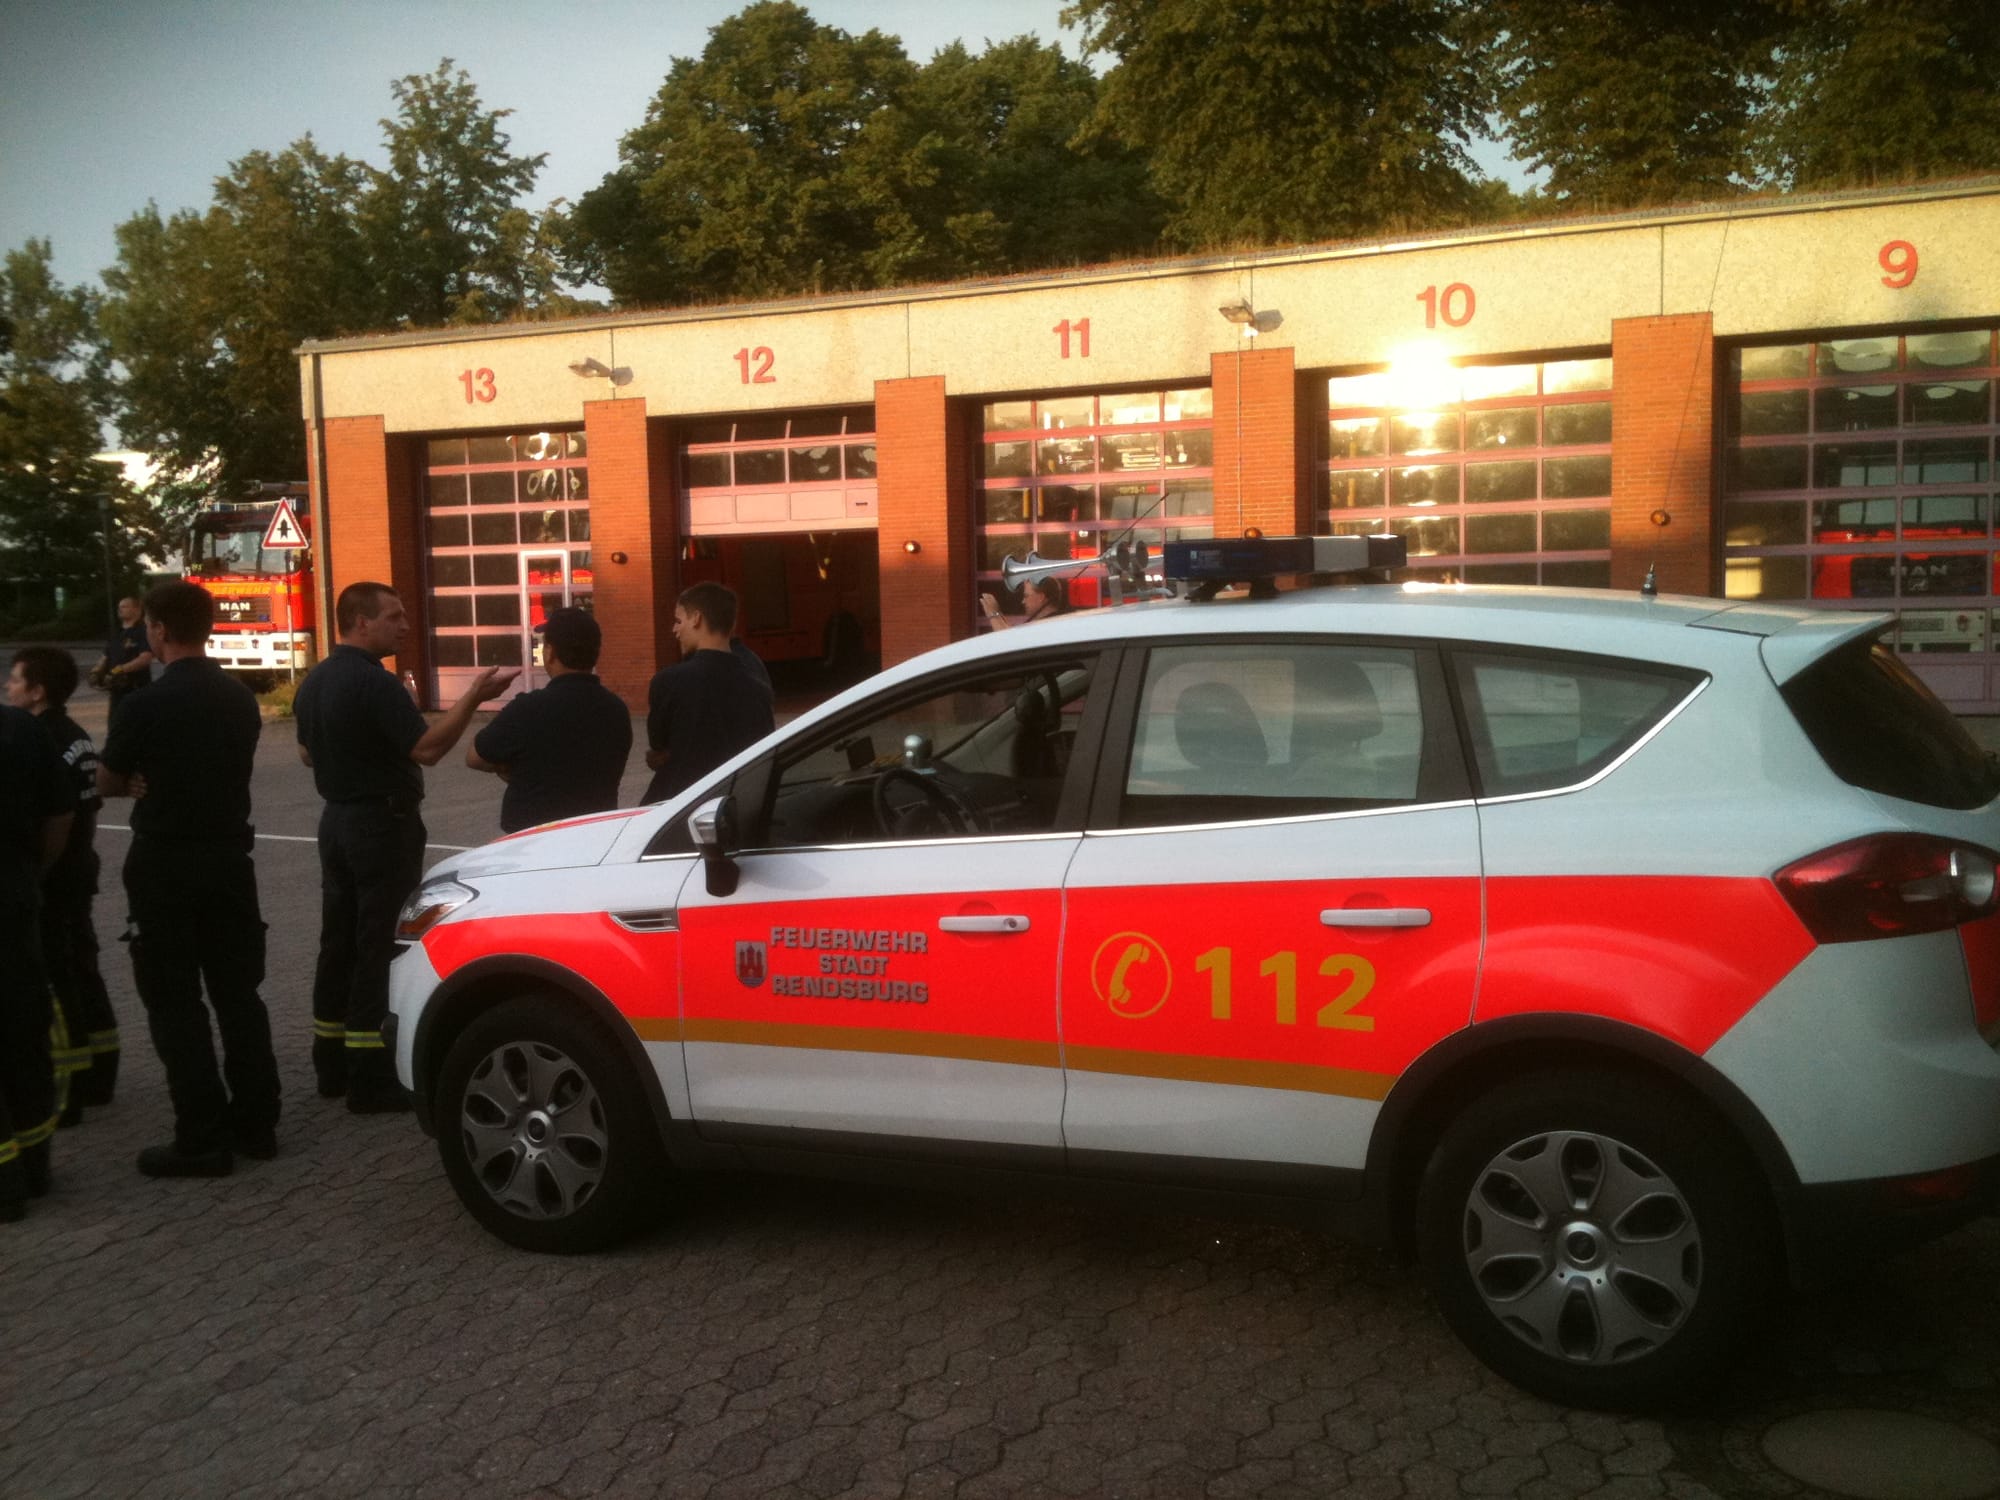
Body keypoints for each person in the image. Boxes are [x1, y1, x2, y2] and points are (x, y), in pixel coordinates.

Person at [295, 582, 517, 1110]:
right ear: (360, 621)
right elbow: (428, 749)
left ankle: (331, 1064)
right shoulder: (376, 682)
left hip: (337, 823)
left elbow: (305, 753)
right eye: (393, 616)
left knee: (338, 942)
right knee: (377, 945)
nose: (405, 625)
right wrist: (474, 696)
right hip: (381, 826)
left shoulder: (316, 680)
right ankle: (371, 1078)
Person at [97, 582, 280, 1178]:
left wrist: (132, 782)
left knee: (175, 1001)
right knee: (239, 993)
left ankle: (201, 1137)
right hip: (229, 861)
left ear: (158, 629)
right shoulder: (238, 698)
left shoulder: (143, 705)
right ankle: (257, 1124)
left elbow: (107, 780)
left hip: (165, 864)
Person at [8, 648, 120, 1116]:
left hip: (54, 877)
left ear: (37, 692)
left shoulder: (41, 739)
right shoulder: (74, 735)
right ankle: (101, 1071)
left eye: (15, 680)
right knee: (83, 968)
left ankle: (70, 1087)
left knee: (57, 978)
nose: (8, 687)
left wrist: (37, 870)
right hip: (80, 869)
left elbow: (55, 814)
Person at [467, 607, 632, 834]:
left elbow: (475, 757)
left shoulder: (527, 708)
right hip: (595, 835)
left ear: (550, 652)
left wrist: (510, 769)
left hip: (534, 839)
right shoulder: (616, 710)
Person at [0, 702, 71, 1220]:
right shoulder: (22, 729)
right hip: (15, 898)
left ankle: (6, 1186)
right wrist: (29, 874)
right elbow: (61, 814)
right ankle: (35, 1164)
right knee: (24, 1031)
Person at [641, 581, 775, 805]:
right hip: (736, 804)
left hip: (677, 806)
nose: (675, 630)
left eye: (678, 620)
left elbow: (658, 747)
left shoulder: (669, 681)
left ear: (696, 618)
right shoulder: (758, 688)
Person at [93, 595, 155, 719]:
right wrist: (96, 671)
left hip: (136, 690)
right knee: (115, 723)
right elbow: (106, 655)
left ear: (137, 610)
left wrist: (120, 670)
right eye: (119, 607)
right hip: (116, 691)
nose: (120, 609)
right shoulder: (116, 633)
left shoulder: (143, 632)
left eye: (125, 606)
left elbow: (145, 658)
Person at [979, 575, 1069, 629]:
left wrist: (993, 614)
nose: (1023, 601)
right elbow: (1012, 636)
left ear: (1041, 597)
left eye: (1026, 596)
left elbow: (1009, 645)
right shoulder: (1055, 622)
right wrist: (998, 613)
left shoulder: (1048, 626)